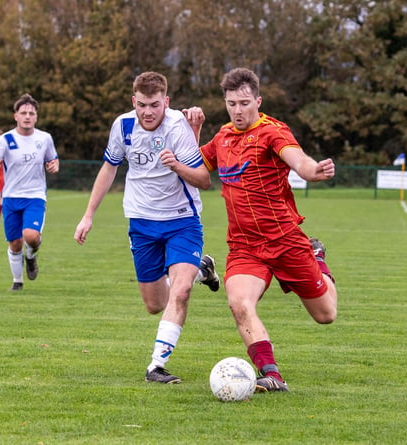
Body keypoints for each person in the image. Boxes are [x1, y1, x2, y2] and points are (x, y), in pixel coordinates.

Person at [73, 71, 220, 385]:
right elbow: (109, 168)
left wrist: (177, 165)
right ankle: (201, 269)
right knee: (155, 304)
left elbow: (204, 180)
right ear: (133, 101)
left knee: (179, 292)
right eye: (141, 105)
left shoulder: (178, 125)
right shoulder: (122, 125)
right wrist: (88, 215)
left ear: (166, 102)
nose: (148, 112)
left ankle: (157, 365)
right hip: (141, 223)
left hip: (182, 220)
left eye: (154, 104)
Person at [199, 67, 338, 393]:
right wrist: (193, 130)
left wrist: (313, 171)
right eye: (231, 103)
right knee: (239, 304)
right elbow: (197, 169)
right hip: (245, 246)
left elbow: (299, 161)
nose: (237, 110)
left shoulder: (273, 131)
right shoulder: (222, 137)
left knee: (326, 315)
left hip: (285, 241)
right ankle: (271, 373)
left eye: (244, 102)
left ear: (257, 101)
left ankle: (317, 257)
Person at [0, 94, 59, 291]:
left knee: (31, 236)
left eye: (31, 113)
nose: (27, 116)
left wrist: (54, 166)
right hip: (10, 198)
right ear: (15, 116)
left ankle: (31, 256)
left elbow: (53, 159)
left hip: (35, 196)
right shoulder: (6, 139)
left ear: (36, 117)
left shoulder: (44, 138)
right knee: (15, 242)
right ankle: (17, 281)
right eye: (23, 113)